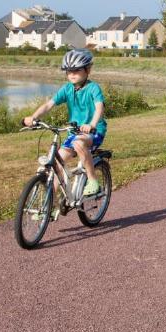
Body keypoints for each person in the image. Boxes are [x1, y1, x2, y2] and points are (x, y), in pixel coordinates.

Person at [23, 48, 106, 218]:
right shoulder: (67, 89)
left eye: (77, 70)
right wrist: (33, 117)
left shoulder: (93, 88)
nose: (72, 74)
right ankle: (47, 206)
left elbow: (99, 107)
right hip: (73, 131)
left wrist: (91, 124)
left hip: (94, 131)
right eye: (69, 71)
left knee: (79, 143)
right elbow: (49, 104)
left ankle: (92, 180)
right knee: (56, 164)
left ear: (87, 70)